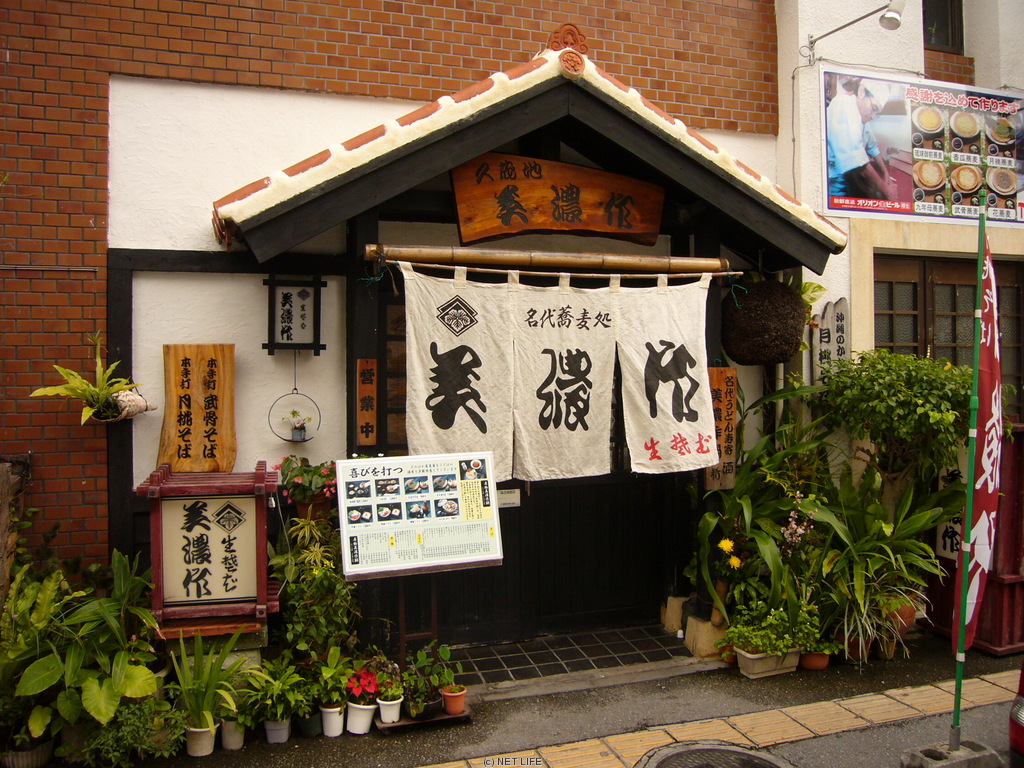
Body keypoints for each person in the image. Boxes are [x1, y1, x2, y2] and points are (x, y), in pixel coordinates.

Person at [826, 78, 896, 200]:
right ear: (862, 92)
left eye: (877, 113)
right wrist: (888, 193)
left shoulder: (862, 117)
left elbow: (872, 147)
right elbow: (857, 162)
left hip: (849, 179)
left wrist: (886, 174)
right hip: (833, 183)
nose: (873, 116)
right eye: (874, 108)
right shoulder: (844, 104)